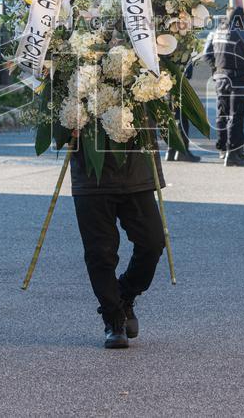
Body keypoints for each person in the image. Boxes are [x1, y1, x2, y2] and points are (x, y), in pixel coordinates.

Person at [70, 138, 166, 349]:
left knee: (152, 242)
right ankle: (114, 320)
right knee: (100, 252)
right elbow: (51, 115)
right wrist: (67, 125)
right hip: (91, 175)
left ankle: (125, 295)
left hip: (136, 172)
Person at [204, 6, 244, 167]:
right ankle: (233, 153)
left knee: (222, 114)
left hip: (220, 77)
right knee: (236, 116)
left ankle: (223, 149)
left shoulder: (216, 31)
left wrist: (216, 69)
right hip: (237, 78)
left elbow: (207, 54)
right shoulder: (238, 32)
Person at [165, 60, 201, 162]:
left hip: (167, 79)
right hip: (178, 79)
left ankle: (171, 150)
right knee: (181, 117)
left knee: (171, 116)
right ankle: (182, 151)